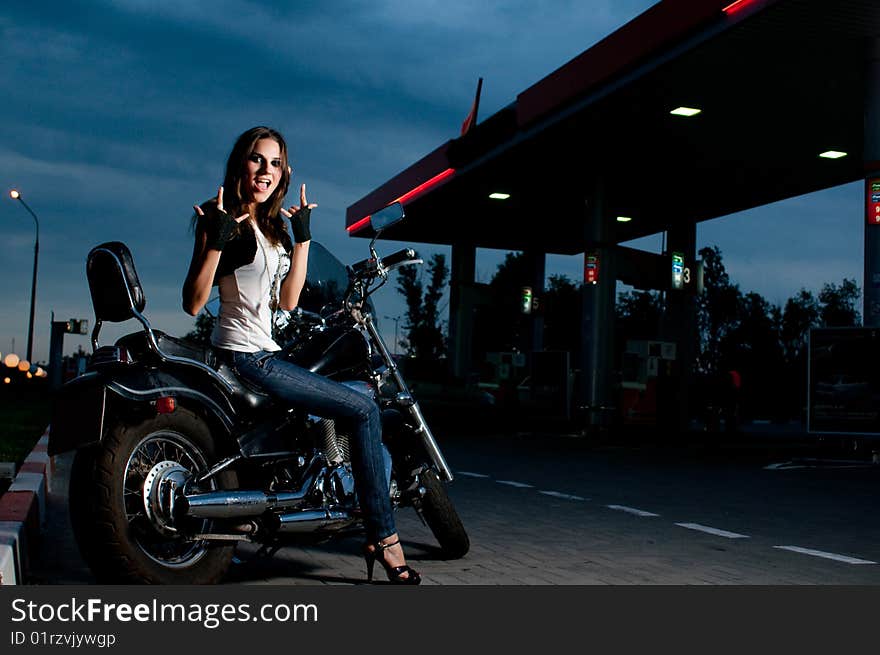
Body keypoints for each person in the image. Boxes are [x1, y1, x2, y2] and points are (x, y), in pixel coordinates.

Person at [182, 126, 420, 584]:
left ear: (283, 173)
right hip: (246, 358)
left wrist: (303, 238)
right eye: (256, 160)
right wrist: (214, 240)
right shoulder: (223, 221)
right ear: (240, 164)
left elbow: (288, 301)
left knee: (353, 395)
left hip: (267, 351)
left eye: (274, 163)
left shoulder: (269, 229)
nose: (264, 171)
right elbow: (193, 302)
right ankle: (385, 537)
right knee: (366, 408)